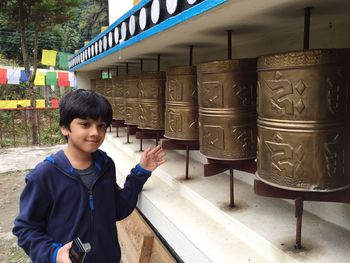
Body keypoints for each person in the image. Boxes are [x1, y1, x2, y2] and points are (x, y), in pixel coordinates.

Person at [13, 89, 166, 263]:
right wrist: (54, 254)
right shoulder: (45, 175)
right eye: (85, 124)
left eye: (101, 126)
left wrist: (140, 172)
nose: (95, 132)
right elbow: (26, 229)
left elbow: (117, 209)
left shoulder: (105, 165)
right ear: (65, 128)